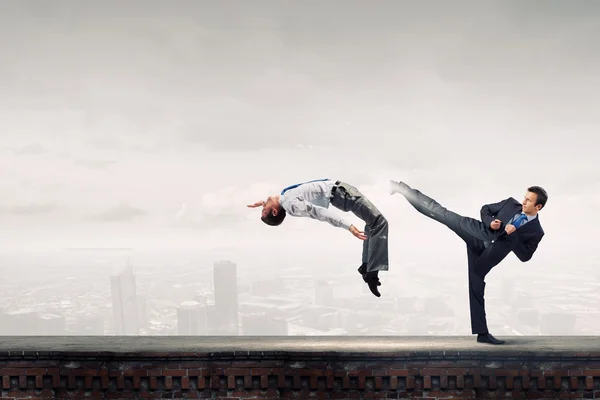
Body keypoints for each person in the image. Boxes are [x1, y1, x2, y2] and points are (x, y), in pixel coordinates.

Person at [390, 180, 547, 345]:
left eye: (529, 200)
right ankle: (403, 189)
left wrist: (513, 235)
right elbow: (485, 209)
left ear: (538, 207)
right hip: (475, 231)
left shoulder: (536, 231)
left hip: (486, 257)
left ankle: (482, 334)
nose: (524, 201)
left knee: (477, 286)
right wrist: (490, 223)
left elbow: (525, 256)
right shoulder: (510, 203)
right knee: (441, 213)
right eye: (525, 197)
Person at [247, 178, 389, 297]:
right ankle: (372, 274)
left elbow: (279, 198)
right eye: (264, 210)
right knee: (380, 222)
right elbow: (319, 213)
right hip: (343, 195)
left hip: (341, 192)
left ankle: (366, 267)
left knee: (372, 224)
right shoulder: (291, 205)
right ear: (274, 211)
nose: (263, 205)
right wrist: (348, 226)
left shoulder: (285, 199)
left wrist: (265, 204)